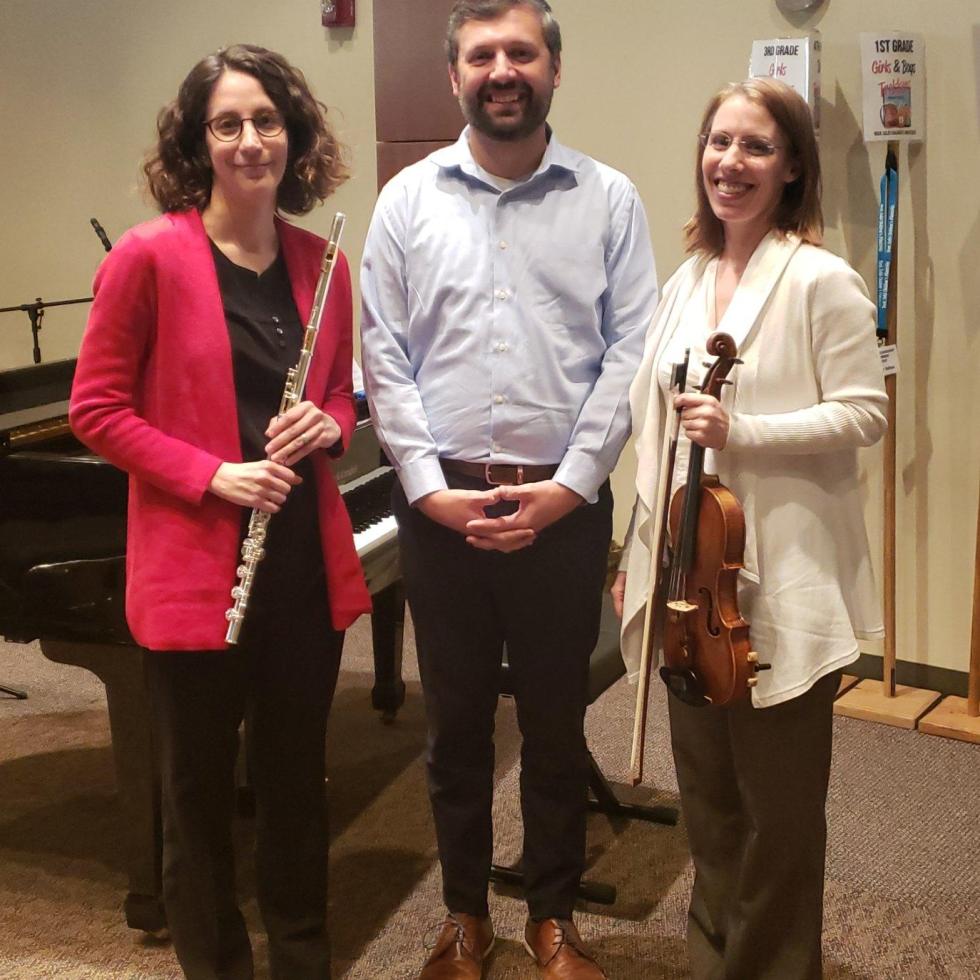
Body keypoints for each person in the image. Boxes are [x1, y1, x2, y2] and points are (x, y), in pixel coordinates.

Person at [360, 2, 658, 977]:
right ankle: (464, 916)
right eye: (481, 54)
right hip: (439, 511)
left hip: (560, 515)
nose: (501, 69)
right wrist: (425, 487)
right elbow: (384, 358)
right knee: (451, 729)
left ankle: (551, 917)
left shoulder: (609, 200)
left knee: (553, 725)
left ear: (553, 69)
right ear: (453, 75)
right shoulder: (406, 202)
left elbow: (630, 351)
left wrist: (569, 486)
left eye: (521, 52)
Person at [69, 43, 370, 980]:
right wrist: (214, 476)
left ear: (294, 135)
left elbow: (342, 394)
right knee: (197, 795)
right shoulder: (149, 256)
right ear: (199, 142)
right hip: (197, 566)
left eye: (267, 121)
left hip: (298, 567)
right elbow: (95, 410)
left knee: (296, 784)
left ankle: (303, 960)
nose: (250, 141)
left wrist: (330, 422)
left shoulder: (325, 264)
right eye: (227, 123)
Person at [614, 78, 888, 980]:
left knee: (779, 813)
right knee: (709, 801)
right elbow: (656, 430)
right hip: (688, 583)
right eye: (719, 142)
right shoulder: (688, 279)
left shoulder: (820, 280)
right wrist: (637, 554)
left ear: (792, 167)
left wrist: (745, 431)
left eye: (757, 147)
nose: (731, 162)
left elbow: (865, 413)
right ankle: (714, 961)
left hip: (781, 583)